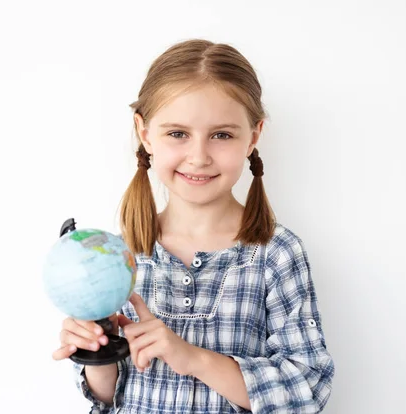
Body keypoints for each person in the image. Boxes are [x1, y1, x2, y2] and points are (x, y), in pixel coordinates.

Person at [52, 38, 335, 413]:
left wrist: (191, 358)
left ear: (253, 136)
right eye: (178, 133)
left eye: (222, 135)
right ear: (145, 133)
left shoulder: (276, 253)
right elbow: (108, 398)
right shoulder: (117, 258)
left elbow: (307, 390)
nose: (199, 157)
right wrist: (96, 351)